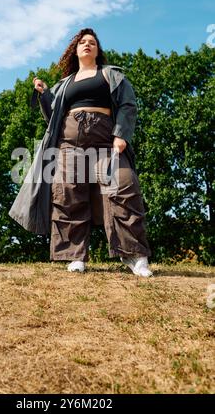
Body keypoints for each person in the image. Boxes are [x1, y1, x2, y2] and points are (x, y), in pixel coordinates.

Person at [9, 28, 152, 277]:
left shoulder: (111, 75)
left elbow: (128, 104)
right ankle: (75, 256)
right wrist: (44, 96)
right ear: (75, 50)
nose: (87, 45)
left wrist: (121, 135)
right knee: (68, 195)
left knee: (123, 188)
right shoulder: (64, 84)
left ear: (98, 50)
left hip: (105, 142)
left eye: (92, 43)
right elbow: (53, 116)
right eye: (83, 42)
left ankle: (134, 255)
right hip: (69, 144)